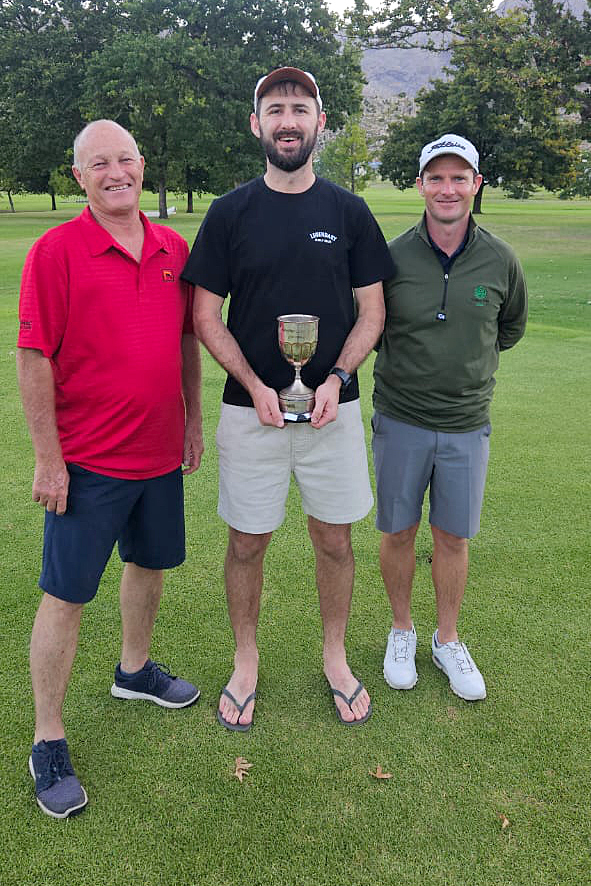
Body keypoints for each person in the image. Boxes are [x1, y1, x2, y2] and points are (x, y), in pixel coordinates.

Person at [182, 67, 394, 730]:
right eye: (275, 108)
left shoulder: (348, 212)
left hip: (333, 409)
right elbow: (205, 315)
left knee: (333, 540)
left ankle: (334, 656)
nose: (287, 120)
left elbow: (371, 313)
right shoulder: (228, 213)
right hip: (252, 416)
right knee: (246, 543)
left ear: (318, 124)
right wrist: (252, 385)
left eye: (300, 108)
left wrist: (330, 380)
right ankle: (245, 661)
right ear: (256, 124)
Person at [17, 120, 203, 819]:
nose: (115, 171)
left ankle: (133, 671)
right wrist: (48, 459)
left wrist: (193, 420)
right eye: (100, 163)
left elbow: (185, 341)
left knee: (148, 566)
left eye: (125, 158)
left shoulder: (171, 247)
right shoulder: (55, 252)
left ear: (143, 165)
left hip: (158, 453)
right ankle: (48, 737)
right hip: (88, 462)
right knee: (66, 595)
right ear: (80, 177)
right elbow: (34, 358)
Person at [373, 134, 527, 702]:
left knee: (453, 536)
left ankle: (446, 638)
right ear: (420, 185)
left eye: (458, 177)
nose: (447, 188)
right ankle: (402, 629)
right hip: (401, 417)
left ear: (476, 184)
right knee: (398, 531)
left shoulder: (500, 258)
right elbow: (371, 325)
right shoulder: (390, 256)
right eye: (436, 177)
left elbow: (507, 329)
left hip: (466, 422)